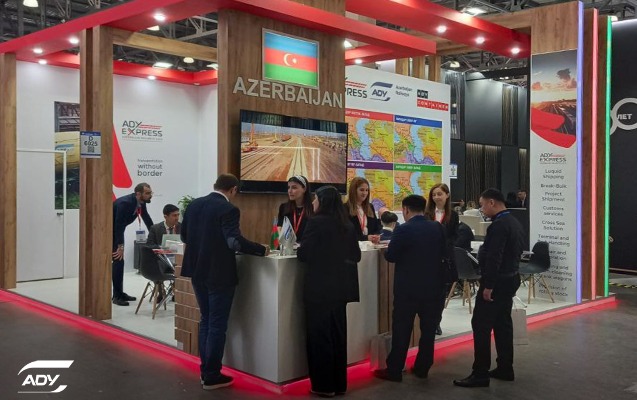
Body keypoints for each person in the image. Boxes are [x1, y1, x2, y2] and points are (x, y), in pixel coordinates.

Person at [180, 174, 269, 391]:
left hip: (197, 271)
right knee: (217, 324)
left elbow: (184, 236)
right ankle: (211, 375)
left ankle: (205, 371)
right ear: (233, 190)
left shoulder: (194, 205)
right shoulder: (228, 209)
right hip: (219, 274)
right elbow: (234, 242)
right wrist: (260, 249)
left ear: (215, 186)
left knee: (206, 320)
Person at [453, 188, 524, 388]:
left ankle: (480, 373)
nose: (482, 209)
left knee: (481, 325)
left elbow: (494, 257)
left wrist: (489, 285)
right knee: (502, 324)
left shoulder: (499, 225)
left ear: (492, 202)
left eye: (483, 205)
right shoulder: (514, 222)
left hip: (497, 282)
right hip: (511, 278)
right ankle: (505, 367)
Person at [374, 195, 448, 382]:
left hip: (408, 289)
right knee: (428, 330)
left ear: (405, 209)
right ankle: (423, 367)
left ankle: (395, 370)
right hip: (433, 287)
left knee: (402, 329)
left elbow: (391, 256)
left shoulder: (403, 229)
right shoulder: (437, 227)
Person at [297, 185, 361, 397]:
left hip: (319, 288)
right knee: (338, 335)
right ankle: (339, 384)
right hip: (341, 289)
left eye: (315, 199)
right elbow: (356, 255)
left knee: (320, 336)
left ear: (322, 201)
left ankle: (323, 386)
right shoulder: (347, 224)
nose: (313, 203)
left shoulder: (316, 222)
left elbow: (304, 254)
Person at [112, 183, 154, 306]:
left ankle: (119, 293)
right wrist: (120, 246)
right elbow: (118, 226)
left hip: (117, 232)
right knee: (118, 261)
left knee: (119, 262)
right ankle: (117, 296)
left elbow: (146, 218)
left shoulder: (141, 202)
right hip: (109, 232)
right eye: (147, 193)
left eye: (150, 192)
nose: (150, 195)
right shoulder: (125, 203)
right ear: (138, 194)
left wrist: (155, 234)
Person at [425, 183, 459, 336]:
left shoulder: (453, 215)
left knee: (440, 294)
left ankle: (436, 321)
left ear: (447, 195)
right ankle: (427, 321)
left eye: (439, 194)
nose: (436, 197)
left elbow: (454, 236)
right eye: (434, 195)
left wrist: (443, 243)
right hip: (428, 257)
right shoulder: (427, 214)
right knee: (428, 293)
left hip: (444, 258)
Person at [277, 175, 313, 243]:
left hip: (305, 246)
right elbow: (279, 227)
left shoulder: (313, 209)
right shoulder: (284, 207)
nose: (290, 191)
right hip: (287, 246)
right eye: (288, 187)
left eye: (294, 187)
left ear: (304, 189)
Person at [345, 177, 381, 243]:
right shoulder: (345, 208)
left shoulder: (370, 207)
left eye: (366, 190)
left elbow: (376, 227)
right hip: (354, 246)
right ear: (353, 191)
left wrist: (376, 236)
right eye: (361, 190)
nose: (364, 193)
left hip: (370, 246)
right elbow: (346, 234)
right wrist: (366, 238)